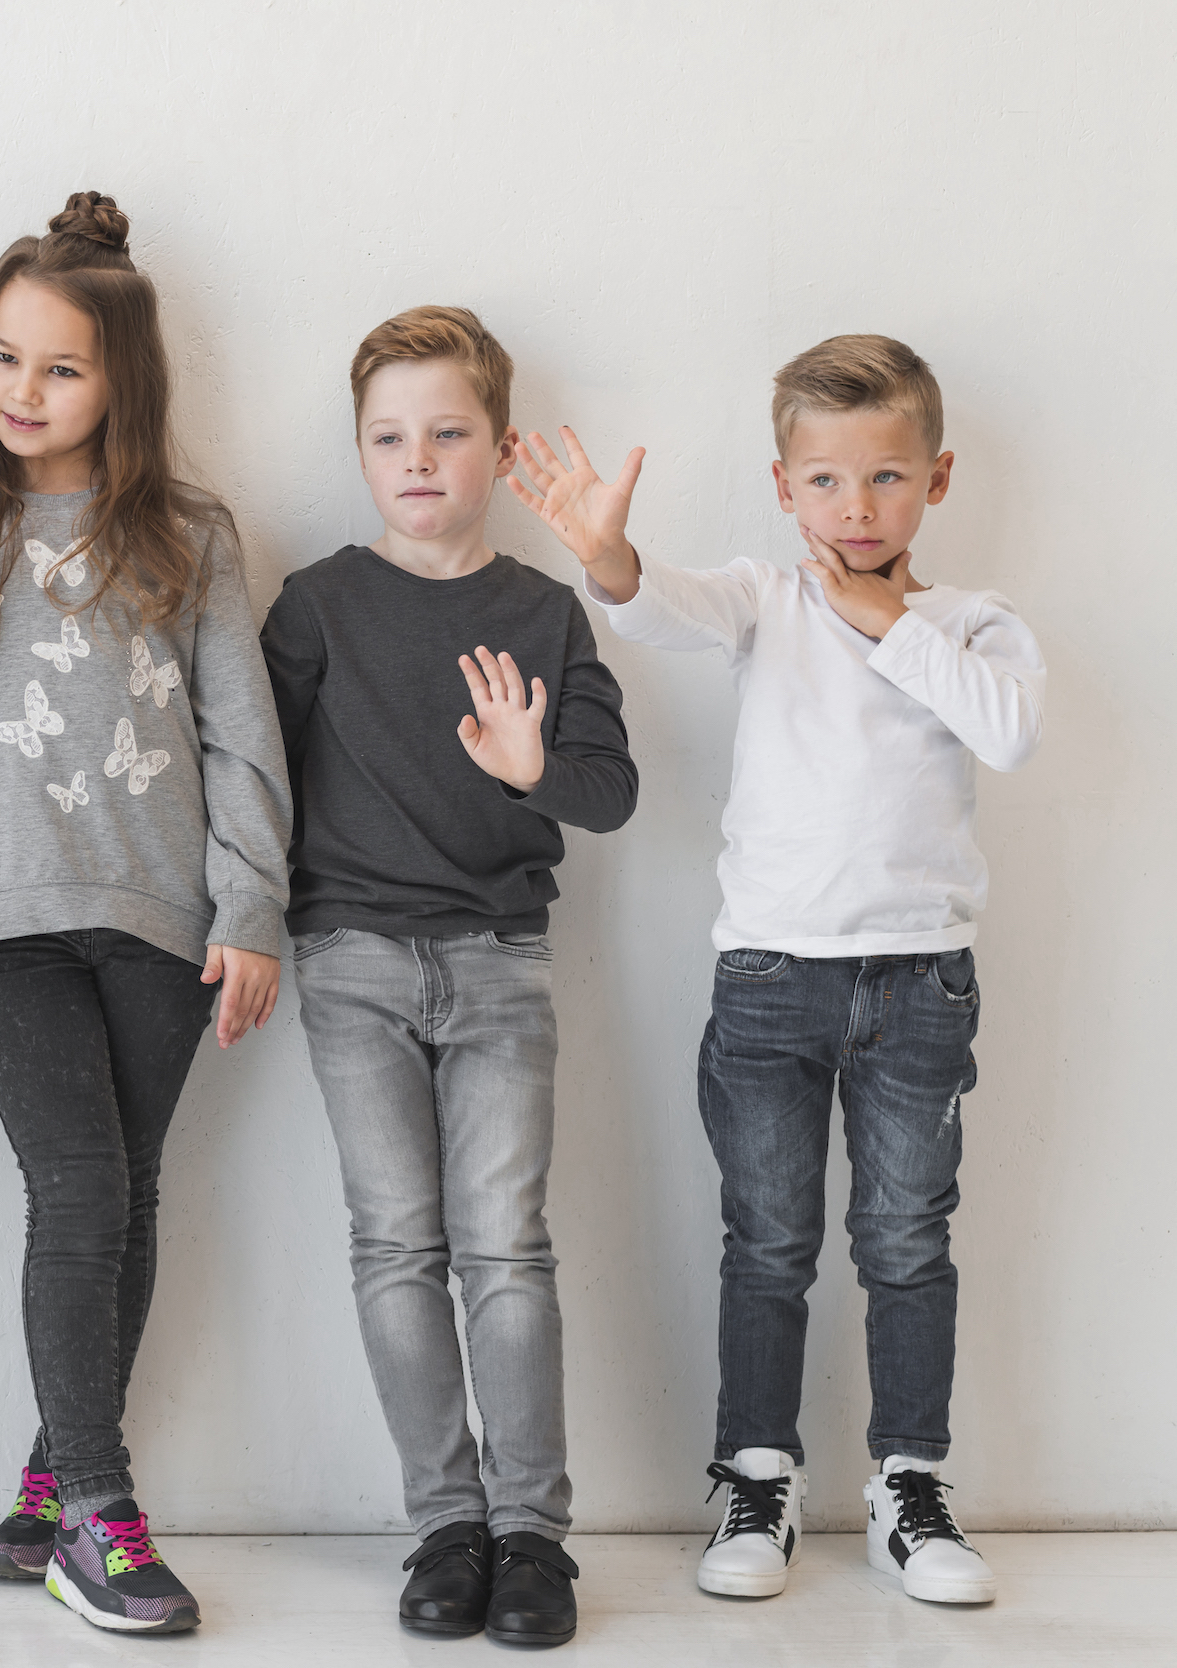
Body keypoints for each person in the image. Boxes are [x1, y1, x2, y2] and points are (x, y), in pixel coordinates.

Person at [510, 332, 1042, 1608]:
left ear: (937, 480)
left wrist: (888, 620)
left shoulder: (972, 625)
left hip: (919, 984)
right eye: (823, 483)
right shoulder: (766, 596)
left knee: (907, 1244)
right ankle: (758, 1479)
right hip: (768, 982)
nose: (854, 509)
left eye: (886, 479)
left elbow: (1010, 733)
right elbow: (656, 601)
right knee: (767, 1243)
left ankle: (910, 1485)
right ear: (782, 484)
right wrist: (605, 556)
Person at [0, 191, 291, 1637]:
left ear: (124, 383)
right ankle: (103, 1519)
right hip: (11, 916)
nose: (23, 392)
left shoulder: (190, 534)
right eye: (4, 358)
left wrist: (252, 907)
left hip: (167, 918)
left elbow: (244, 737)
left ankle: (49, 1489)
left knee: (131, 1193)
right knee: (81, 1190)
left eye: (60, 368)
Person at [260, 305, 637, 1648]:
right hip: (351, 962)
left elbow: (612, 792)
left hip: (498, 967)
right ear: (361, 454)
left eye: (448, 433)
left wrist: (536, 773)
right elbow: (256, 781)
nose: (418, 459)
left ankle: (532, 1535)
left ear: (498, 445)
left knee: (505, 1249)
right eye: (389, 438)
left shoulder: (543, 614)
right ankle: (447, 1524)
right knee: (396, 1250)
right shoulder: (313, 607)